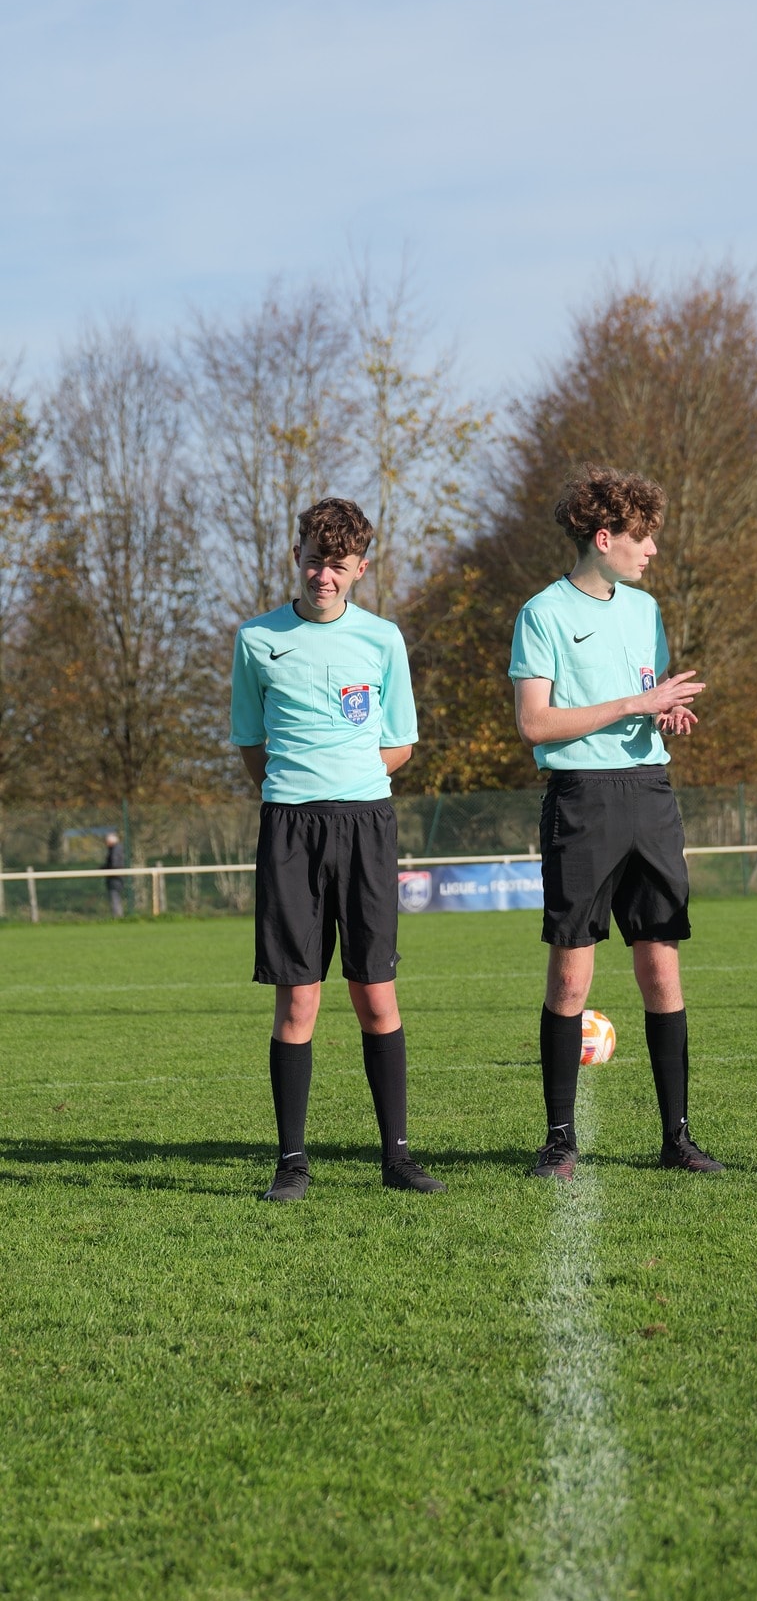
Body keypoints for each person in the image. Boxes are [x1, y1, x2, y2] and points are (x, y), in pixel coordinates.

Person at [508, 465, 722, 1181]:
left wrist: (663, 710)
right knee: (571, 978)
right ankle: (559, 1141)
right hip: (581, 801)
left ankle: (678, 1138)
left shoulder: (646, 610)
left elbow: (643, 695)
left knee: (661, 965)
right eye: (641, 537)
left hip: (649, 793)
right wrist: (634, 706)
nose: (651, 549)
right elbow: (534, 722)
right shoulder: (542, 614)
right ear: (603, 538)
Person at [229, 496, 444, 1204]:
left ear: (361, 569)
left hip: (365, 826)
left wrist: (347, 782)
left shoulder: (383, 640)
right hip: (290, 826)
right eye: (315, 561)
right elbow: (251, 746)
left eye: (339, 565)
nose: (325, 575)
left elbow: (401, 743)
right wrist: (301, 787)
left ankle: (397, 1157)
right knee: (299, 1001)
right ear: (298, 557)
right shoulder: (256, 639)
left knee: (375, 993)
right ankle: (292, 1162)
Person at [103, 832, 125, 919]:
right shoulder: (117, 849)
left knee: (115, 898)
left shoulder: (115, 850)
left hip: (115, 878)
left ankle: (118, 917)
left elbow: (114, 864)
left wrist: (105, 869)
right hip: (116, 878)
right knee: (116, 898)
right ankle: (118, 916)